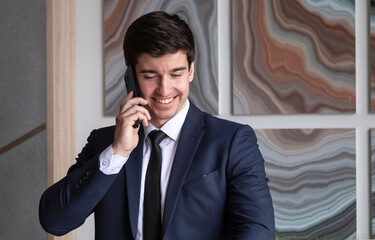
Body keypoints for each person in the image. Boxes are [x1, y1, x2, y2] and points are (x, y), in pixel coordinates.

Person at [39, 11, 275, 240]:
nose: (164, 89)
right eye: (150, 75)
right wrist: (118, 153)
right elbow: (55, 221)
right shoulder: (104, 144)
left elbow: (258, 230)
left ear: (191, 70)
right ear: (130, 74)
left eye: (176, 74)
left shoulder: (232, 141)